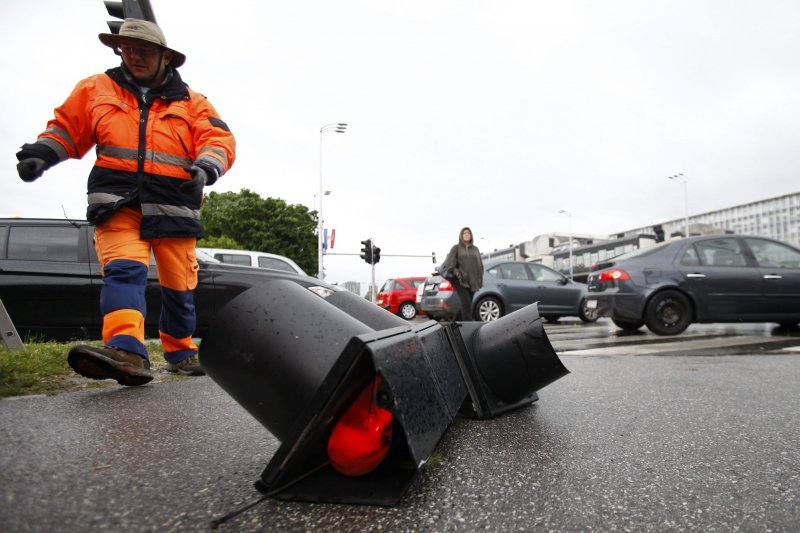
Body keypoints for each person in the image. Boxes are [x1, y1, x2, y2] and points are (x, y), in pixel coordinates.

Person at [16, 19, 236, 386]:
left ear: (166, 57)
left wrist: (207, 167)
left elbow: (218, 139)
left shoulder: (194, 102)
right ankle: (126, 352)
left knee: (179, 288)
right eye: (127, 49)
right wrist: (43, 153)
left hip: (174, 205)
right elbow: (67, 129)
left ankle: (180, 350)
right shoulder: (96, 89)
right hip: (117, 202)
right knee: (123, 273)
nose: (134, 56)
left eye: (144, 51)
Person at [442, 227, 484, 321]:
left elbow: (480, 264)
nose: (466, 234)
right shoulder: (456, 248)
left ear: (471, 235)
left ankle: (454, 324)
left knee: (465, 305)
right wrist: (457, 272)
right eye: (464, 233)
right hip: (460, 281)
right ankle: (469, 325)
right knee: (466, 304)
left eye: (468, 233)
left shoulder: (475, 249)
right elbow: (449, 263)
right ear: (461, 235)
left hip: (473, 282)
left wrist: (480, 277)